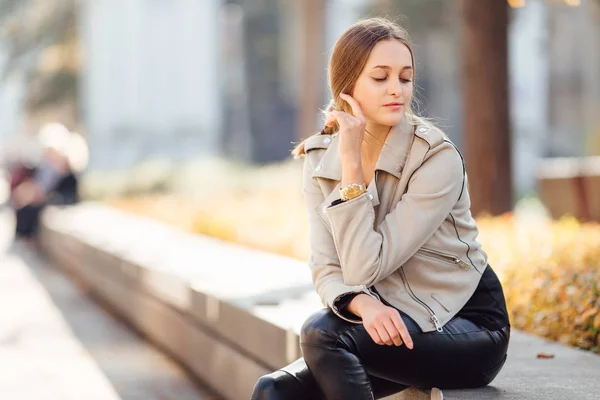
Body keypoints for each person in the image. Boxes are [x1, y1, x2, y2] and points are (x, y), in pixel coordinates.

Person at [250, 17, 510, 400]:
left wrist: (352, 169)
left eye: (404, 78)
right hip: (392, 318)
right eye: (380, 77)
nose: (396, 90)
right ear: (347, 87)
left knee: (322, 334)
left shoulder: (435, 159)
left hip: (467, 323)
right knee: (273, 390)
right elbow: (326, 266)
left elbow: (363, 267)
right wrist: (362, 304)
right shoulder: (320, 158)